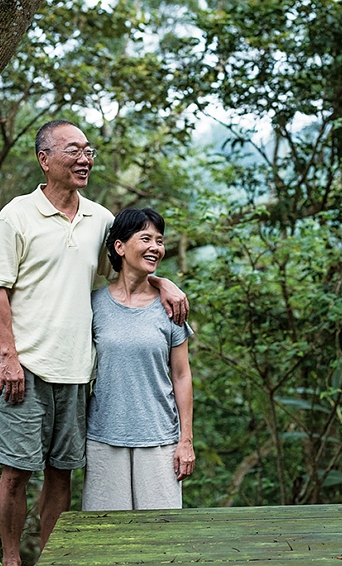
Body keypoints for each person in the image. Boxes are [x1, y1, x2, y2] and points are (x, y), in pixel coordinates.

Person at [0, 120, 188, 566]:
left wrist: (163, 281)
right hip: (25, 366)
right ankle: (12, 559)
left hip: (77, 371)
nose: (84, 159)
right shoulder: (16, 215)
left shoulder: (99, 218)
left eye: (88, 151)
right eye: (73, 151)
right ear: (45, 159)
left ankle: (51, 559)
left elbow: (130, 256)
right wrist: (10, 358)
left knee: (62, 474)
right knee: (16, 470)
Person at [82, 207, 195, 511]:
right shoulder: (94, 305)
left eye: (159, 240)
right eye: (146, 238)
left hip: (160, 439)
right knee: (107, 536)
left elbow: (182, 375)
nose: (155, 247)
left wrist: (186, 441)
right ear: (119, 246)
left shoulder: (171, 307)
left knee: (161, 537)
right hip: (104, 438)